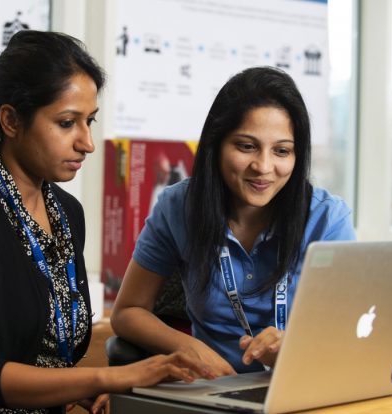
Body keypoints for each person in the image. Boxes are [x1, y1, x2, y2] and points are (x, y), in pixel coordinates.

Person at [0, 30, 214, 414]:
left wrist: (81, 389)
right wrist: (111, 377)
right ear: (12, 121)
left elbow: (42, 353)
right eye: (67, 123)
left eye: (90, 121)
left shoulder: (66, 214)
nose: (87, 142)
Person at [111, 66, 356, 376]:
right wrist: (191, 348)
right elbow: (128, 312)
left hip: (303, 385)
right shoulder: (178, 207)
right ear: (216, 144)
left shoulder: (327, 218)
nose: (264, 166)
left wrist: (295, 346)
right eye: (246, 146)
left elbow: (351, 332)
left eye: (282, 151)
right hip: (211, 388)